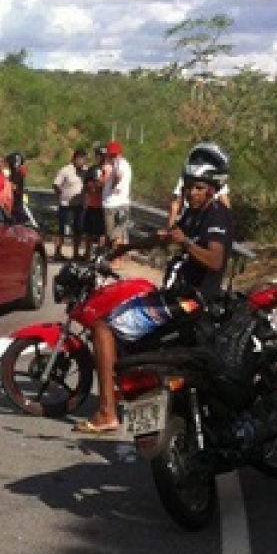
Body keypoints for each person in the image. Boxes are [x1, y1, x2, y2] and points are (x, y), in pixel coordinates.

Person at [75, 151, 234, 434]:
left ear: (210, 189)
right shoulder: (194, 213)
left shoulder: (216, 215)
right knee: (125, 304)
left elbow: (215, 260)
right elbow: (164, 238)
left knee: (103, 327)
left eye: (197, 188)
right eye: (187, 187)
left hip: (189, 302)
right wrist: (126, 247)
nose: (190, 193)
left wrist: (185, 242)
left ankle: (107, 411)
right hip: (173, 295)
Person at [168, 141, 231, 227]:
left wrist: (224, 224)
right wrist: (170, 229)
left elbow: (225, 204)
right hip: (189, 219)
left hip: (207, 222)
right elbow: (176, 204)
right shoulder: (188, 177)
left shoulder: (214, 181)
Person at [53, 147, 88, 260]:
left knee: (78, 229)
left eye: (83, 159)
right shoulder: (66, 170)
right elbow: (56, 184)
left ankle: (76, 253)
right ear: (74, 159)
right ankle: (57, 252)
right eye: (79, 158)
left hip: (80, 205)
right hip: (66, 204)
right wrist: (61, 195)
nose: (81, 161)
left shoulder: (86, 171)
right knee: (61, 229)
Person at [101, 139, 131, 250]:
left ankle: (115, 258)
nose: (111, 156)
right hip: (121, 203)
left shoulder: (118, 163)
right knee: (119, 232)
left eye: (112, 154)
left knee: (113, 234)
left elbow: (118, 175)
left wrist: (113, 186)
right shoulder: (124, 163)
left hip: (113, 204)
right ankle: (117, 258)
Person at [80, 145, 108, 258]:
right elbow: (86, 185)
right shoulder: (92, 169)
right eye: (99, 155)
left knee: (102, 232)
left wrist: (100, 185)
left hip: (103, 206)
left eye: (103, 155)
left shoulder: (109, 169)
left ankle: (99, 255)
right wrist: (92, 186)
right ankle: (87, 253)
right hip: (92, 204)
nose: (100, 157)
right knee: (88, 231)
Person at [5, 152, 33, 225]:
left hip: (14, 205)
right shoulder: (18, 172)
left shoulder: (16, 173)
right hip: (16, 203)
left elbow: (14, 187)